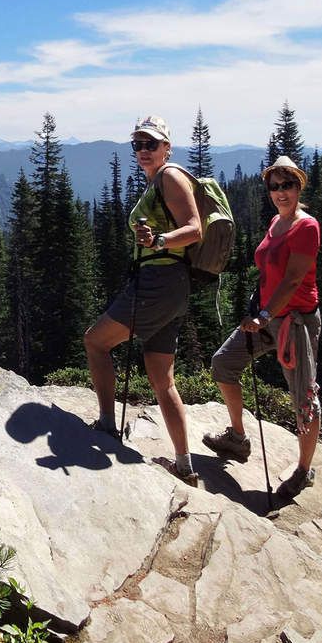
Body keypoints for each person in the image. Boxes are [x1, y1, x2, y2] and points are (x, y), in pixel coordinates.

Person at [84, 115, 203, 485]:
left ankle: (106, 423)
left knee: (95, 341)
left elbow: (195, 228)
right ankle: (184, 465)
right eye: (137, 145)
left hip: (158, 283)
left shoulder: (169, 176)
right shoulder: (158, 181)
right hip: (172, 287)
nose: (143, 151)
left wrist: (158, 242)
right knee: (160, 378)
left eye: (151, 144)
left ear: (167, 146)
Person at [204, 155, 321, 502]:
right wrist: (260, 307)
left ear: (299, 186)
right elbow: (271, 275)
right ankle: (238, 438)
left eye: (287, 185)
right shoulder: (276, 223)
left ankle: (304, 470)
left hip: (294, 322)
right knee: (223, 364)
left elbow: (294, 279)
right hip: (267, 316)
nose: (281, 192)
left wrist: (266, 315)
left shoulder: (306, 226)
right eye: (275, 186)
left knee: (304, 398)